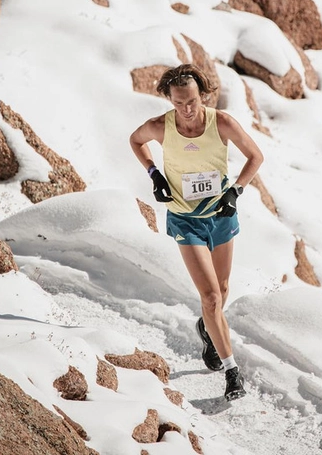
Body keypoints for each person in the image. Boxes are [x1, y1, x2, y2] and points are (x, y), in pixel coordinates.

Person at [128, 64, 264, 402]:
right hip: (185, 220)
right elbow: (136, 140)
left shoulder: (222, 123)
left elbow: (255, 157)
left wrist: (236, 191)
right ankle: (232, 371)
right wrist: (154, 173)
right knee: (212, 298)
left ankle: (208, 327)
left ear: (202, 95)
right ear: (170, 101)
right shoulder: (161, 126)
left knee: (223, 289)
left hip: (219, 216)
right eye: (178, 103)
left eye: (191, 102)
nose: (186, 110)